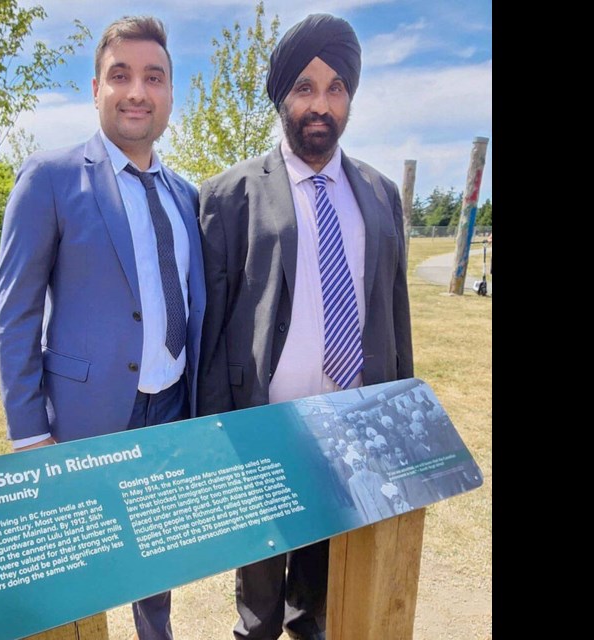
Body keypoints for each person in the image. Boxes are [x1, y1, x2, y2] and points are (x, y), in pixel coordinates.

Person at [197, 13, 413, 640]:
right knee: (261, 579)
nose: (321, 104)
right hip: (264, 419)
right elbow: (213, 324)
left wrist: (402, 400)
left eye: (336, 87)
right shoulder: (228, 195)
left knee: (322, 569)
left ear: (351, 97)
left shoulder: (377, 192)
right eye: (305, 88)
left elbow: (392, 307)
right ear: (282, 96)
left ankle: (306, 622)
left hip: (352, 417)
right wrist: (215, 429)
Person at [0, 16, 204, 640]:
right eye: (121, 76)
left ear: (170, 93)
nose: (137, 90)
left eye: (153, 77)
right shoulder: (50, 178)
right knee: (81, 571)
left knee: (155, 556)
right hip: (82, 416)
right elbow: (15, 314)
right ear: (95, 89)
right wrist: (29, 434)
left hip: (171, 407)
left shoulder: (187, 195)